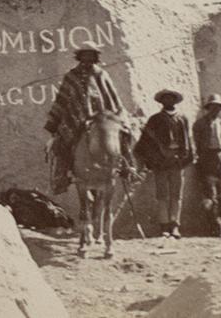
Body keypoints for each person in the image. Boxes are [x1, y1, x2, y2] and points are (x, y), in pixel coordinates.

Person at [44, 41, 135, 195]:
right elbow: (63, 100)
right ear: (79, 57)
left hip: (102, 120)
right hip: (77, 122)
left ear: (95, 57)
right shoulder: (71, 76)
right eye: (85, 55)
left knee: (123, 136)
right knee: (62, 143)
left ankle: (127, 167)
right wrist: (54, 124)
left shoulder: (101, 75)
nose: (87, 58)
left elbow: (111, 98)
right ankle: (62, 177)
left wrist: (117, 117)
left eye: (91, 55)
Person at [142, 89, 195, 238]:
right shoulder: (155, 119)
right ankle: (164, 226)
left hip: (177, 160)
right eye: (165, 99)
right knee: (162, 194)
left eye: (171, 99)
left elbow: (188, 140)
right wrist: (153, 159)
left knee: (176, 194)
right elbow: (147, 143)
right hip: (161, 161)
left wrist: (186, 157)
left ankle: (174, 225)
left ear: (175, 101)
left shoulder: (183, 118)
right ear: (161, 102)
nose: (168, 101)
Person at [193, 94, 221, 237]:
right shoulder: (200, 124)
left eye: (218, 107)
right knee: (210, 194)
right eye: (213, 107)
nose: (215, 109)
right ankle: (217, 226)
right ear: (208, 108)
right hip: (207, 157)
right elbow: (196, 142)